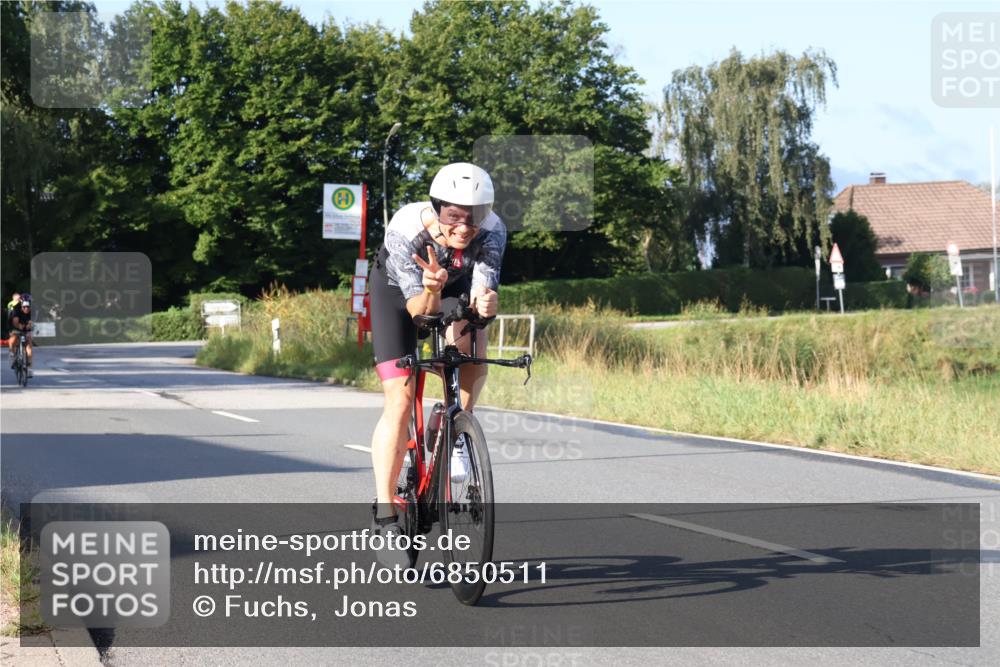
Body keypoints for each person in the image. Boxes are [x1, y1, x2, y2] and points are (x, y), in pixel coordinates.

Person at [367, 162, 506, 554]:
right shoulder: (406, 230)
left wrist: (487, 304)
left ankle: (451, 430)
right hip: (400, 294)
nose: (464, 228)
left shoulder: (494, 230)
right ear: (438, 208)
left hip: (452, 290)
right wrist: (430, 285)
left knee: (470, 359)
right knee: (400, 397)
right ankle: (385, 512)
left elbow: (482, 290)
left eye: (474, 218)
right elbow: (419, 311)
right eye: (454, 217)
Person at [9, 295, 33, 377]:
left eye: (28, 307)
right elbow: (15, 321)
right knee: (13, 340)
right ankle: (13, 356)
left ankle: (29, 368)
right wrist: (19, 326)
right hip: (16, 326)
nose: (26, 308)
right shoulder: (16, 309)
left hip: (26, 327)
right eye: (24, 307)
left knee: (29, 345)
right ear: (21, 305)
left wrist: (30, 325)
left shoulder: (32, 310)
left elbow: (33, 321)